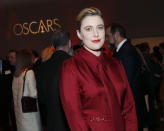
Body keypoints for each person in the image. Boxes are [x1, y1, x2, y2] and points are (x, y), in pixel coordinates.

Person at [59, 7, 137, 131]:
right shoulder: (70, 67)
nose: (96, 33)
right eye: (88, 29)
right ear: (79, 34)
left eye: (100, 27)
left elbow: (129, 106)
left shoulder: (116, 64)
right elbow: (75, 117)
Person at [37, 30, 71, 131]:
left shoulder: (43, 67)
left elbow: (41, 98)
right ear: (69, 43)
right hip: (72, 122)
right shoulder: (75, 63)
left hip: (52, 122)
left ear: (53, 46)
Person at [12, 49, 42, 131]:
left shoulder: (16, 75)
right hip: (30, 113)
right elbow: (33, 94)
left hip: (19, 114)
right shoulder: (29, 72)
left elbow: (14, 95)